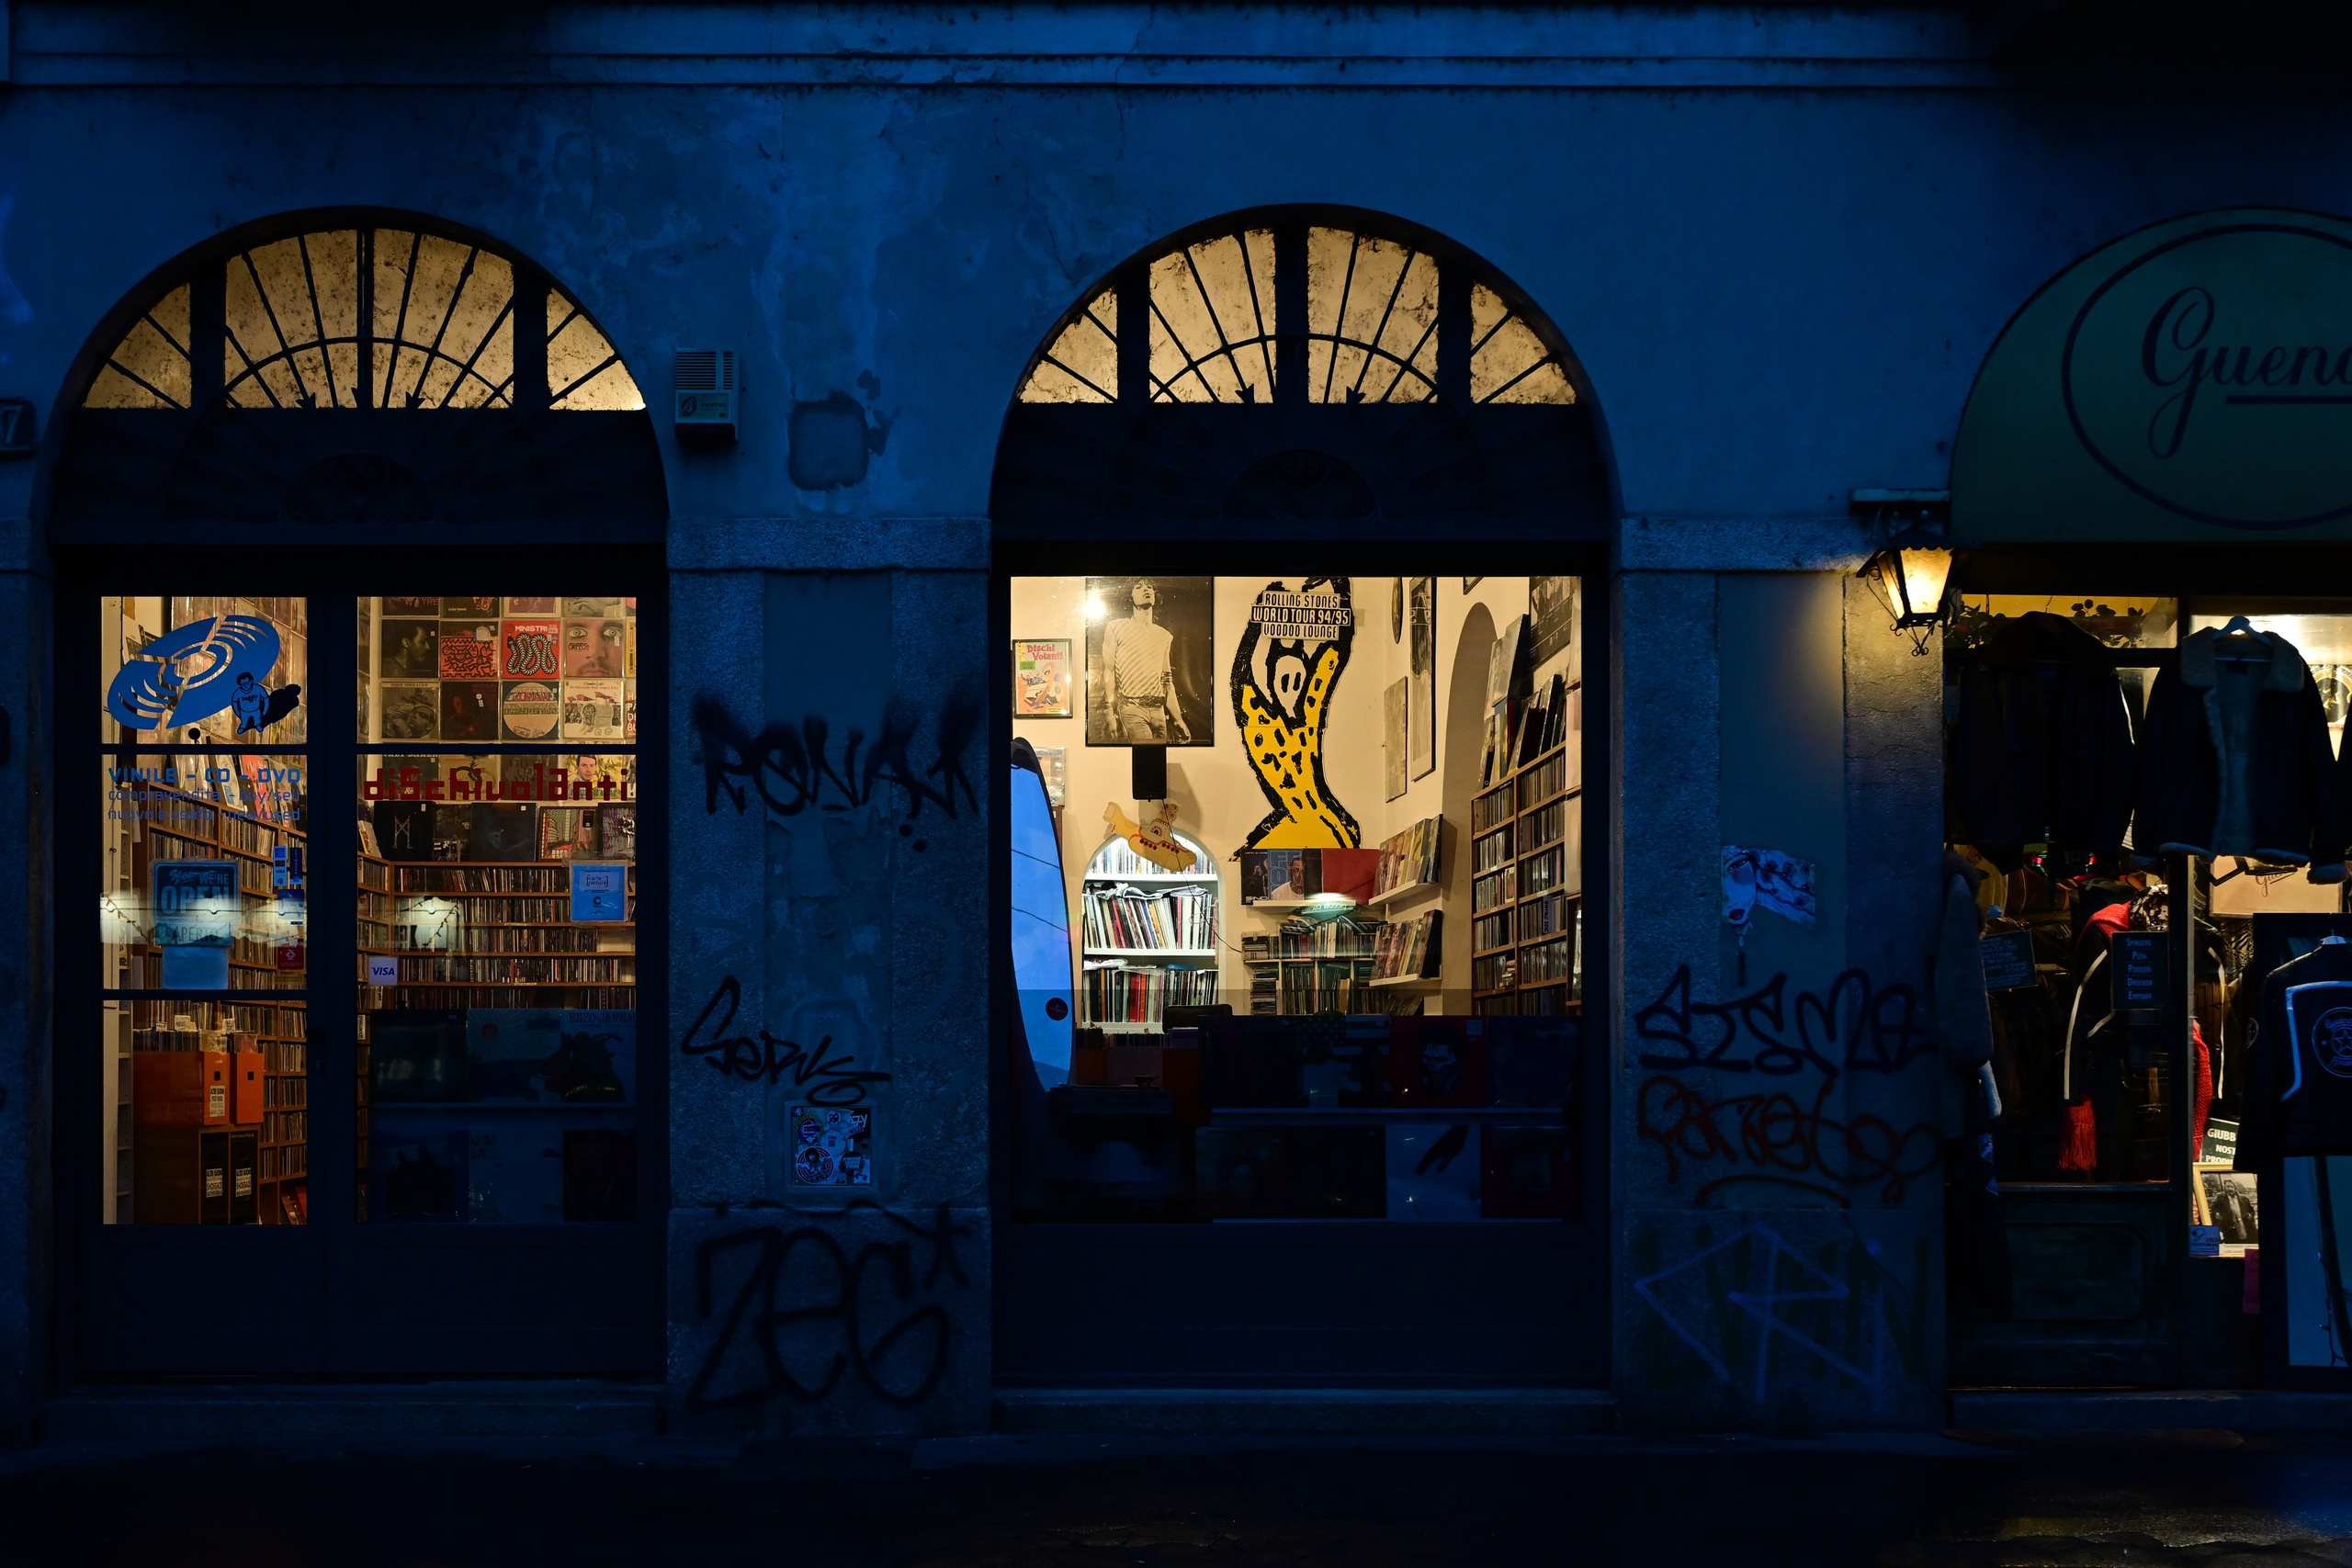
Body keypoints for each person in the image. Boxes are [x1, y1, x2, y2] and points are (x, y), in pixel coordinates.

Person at [1100, 579, 1191, 742]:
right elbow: (1108, 670)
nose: (1146, 590)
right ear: (1130, 595)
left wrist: (1178, 719)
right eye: (1139, 587)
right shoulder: (1116, 627)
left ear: (1155, 595)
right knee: (1147, 756)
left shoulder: (1164, 635)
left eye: (1150, 587)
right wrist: (1108, 710)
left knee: (1158, 759)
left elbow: (1167, 680)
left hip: (1158, 711)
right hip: (1132, 709)